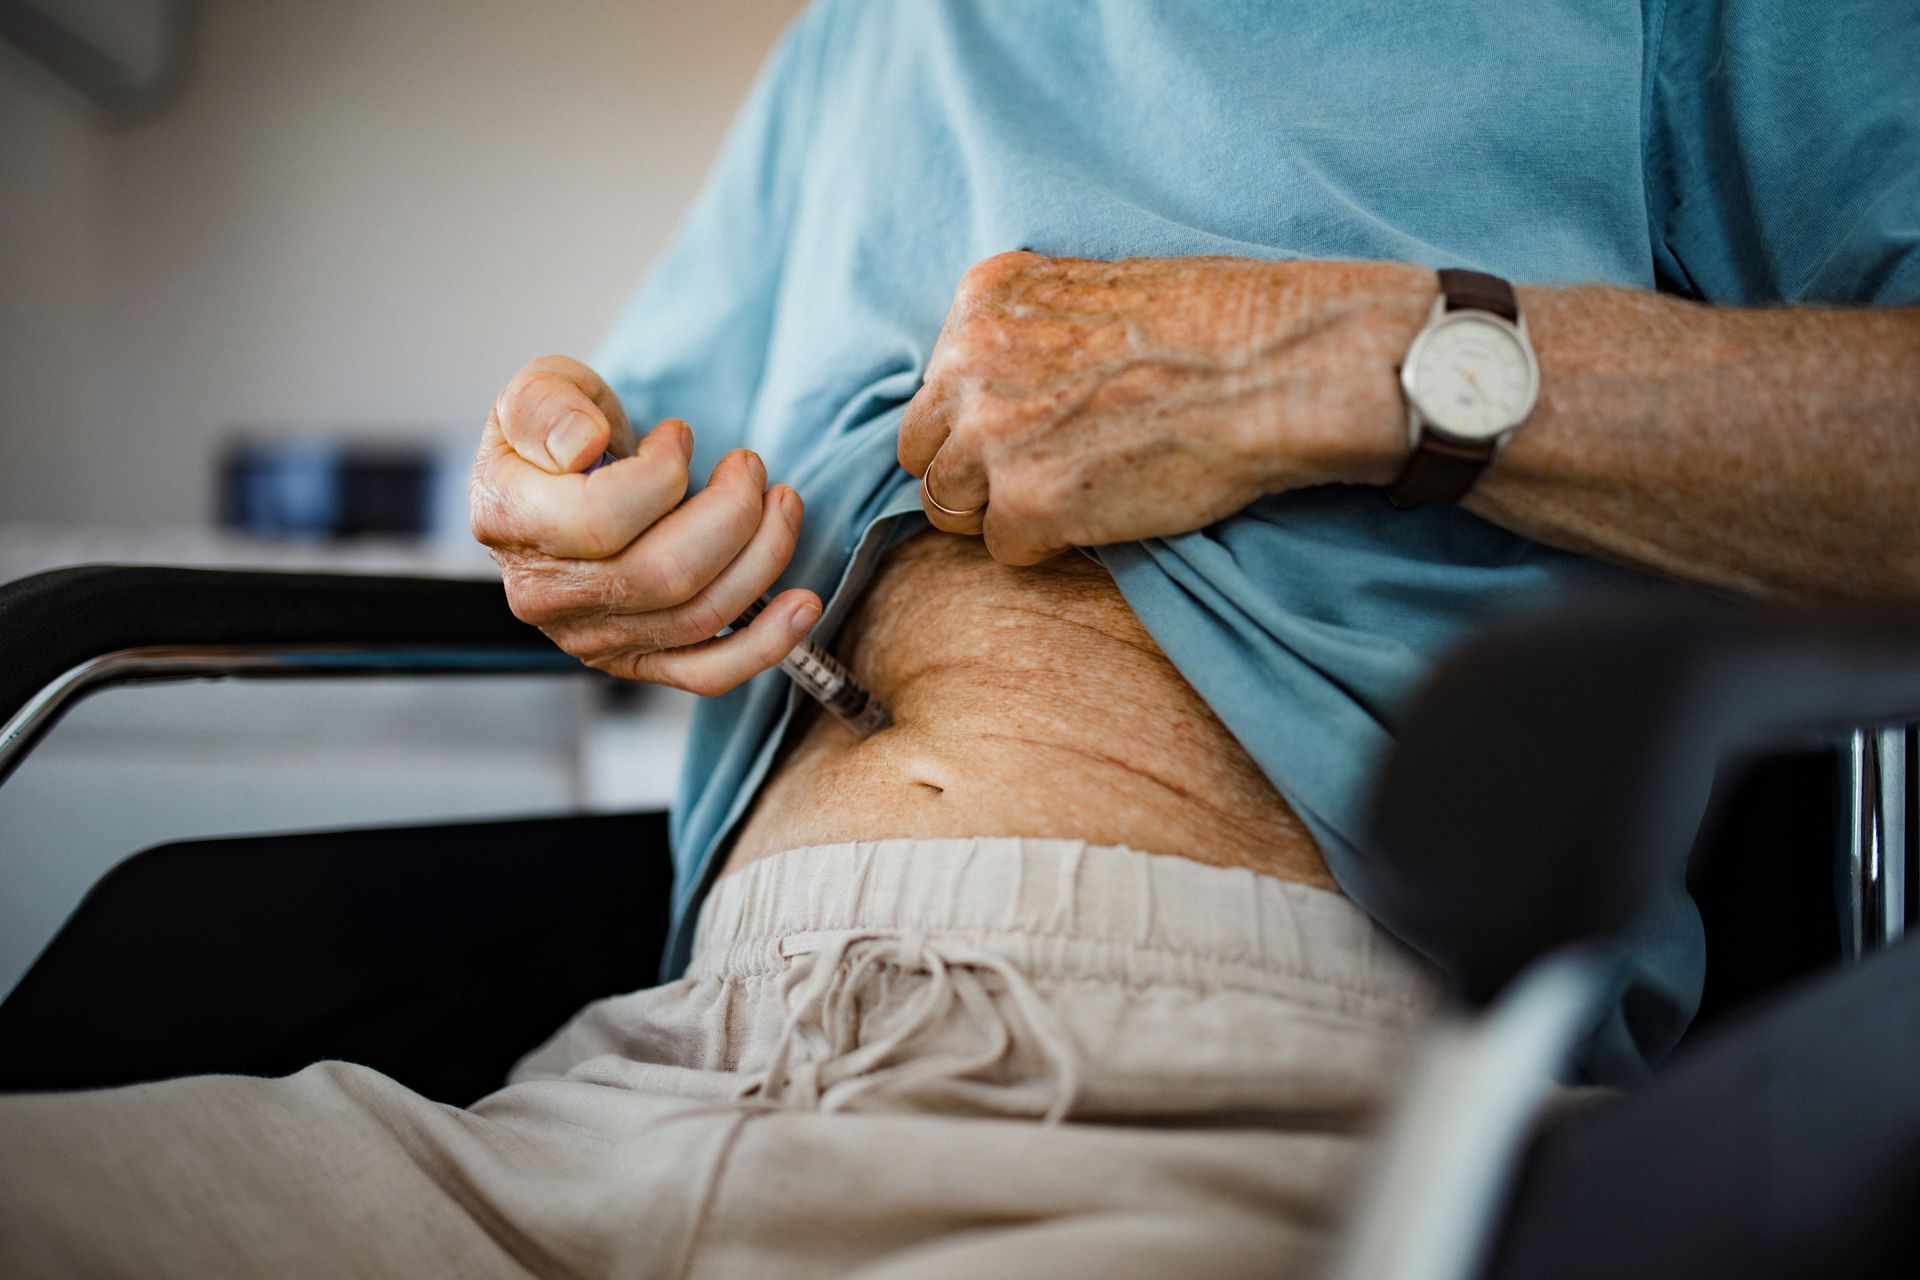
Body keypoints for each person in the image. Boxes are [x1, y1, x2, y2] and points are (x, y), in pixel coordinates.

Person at [3, 1, 1915, 1276]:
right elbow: (598, 460)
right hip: (620, 1081)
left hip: (1247, 1104)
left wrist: (1348, 362)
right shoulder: (867, 37)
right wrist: (561, 503)